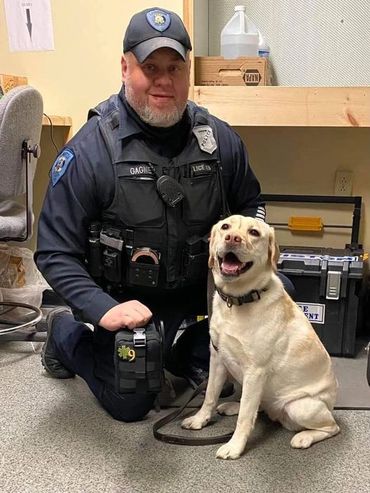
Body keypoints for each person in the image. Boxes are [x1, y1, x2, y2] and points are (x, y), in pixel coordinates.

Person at [35, 7, 287, 422]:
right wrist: (102, 308)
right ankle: (65, 337)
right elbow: (54, 253)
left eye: (175, 67)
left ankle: (187, 350)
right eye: (150, 67)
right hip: (125, 299)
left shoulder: (219, 140)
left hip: (198, 289)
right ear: (124, 67)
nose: (164, 81)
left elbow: (252, 207)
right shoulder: (90, 151)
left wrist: (247, 263)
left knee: (279, 292)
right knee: (131, 401)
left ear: (188, 72)